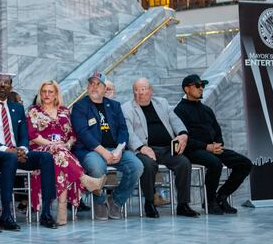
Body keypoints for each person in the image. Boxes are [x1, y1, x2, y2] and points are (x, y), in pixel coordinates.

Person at [26, 80, 106, 226]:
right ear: (40, 94)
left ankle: (62, 210)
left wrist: (68, 144)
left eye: (50, 91)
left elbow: (72, 134)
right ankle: (84, 181)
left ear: (56, 94)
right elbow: (33, 135)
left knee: (61, 158)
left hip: (62, 152)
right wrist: (53, 144)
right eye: (44, 91)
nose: (47, 94)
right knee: (60, 153)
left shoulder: (64, 111)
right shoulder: (33, 111)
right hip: (41, 150)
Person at [174, 74, 252, 215]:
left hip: (213, 149)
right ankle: (210, 202)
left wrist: (218, 145)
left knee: (245, 163)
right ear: (186, 89)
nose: (201, 88)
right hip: (192, 150)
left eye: (202, 85)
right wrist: (206, 147)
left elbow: (217, 130)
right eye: (197, 85)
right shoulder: (179, 111)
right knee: (215, 163)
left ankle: (221, 196)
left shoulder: (206, 110)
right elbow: (183, 138)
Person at [121, 78, 199, 218]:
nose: (140, 93)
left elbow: (175, 120)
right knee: (148, 165)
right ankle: (150, 202)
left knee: (184, 163)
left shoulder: (161, 103)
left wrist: (183, 134)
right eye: (136, 90)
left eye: (143, 89)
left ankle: (183, 204)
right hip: (143, 149)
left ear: (151, 91)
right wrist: (142, 148)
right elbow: (128, 132)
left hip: (167, 148)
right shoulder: (127, 108)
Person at [71, 71, 143, 221]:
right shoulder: (80, 106)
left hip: (115, 149)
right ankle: (100, 200)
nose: (94, 87)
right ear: (87, 87)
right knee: (97, 168)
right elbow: (83, 132)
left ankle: (116, 201)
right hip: (90, 150)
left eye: (99, 84)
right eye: (91, 83)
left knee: (137, 166)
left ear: (105, 89)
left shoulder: (114, 106)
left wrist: (119, 149)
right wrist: (103, 152)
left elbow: (123, 130)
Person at [0, 75, 58, 230]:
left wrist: (22, 149)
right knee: (10, 158)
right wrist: (9, 150)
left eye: (7, 83)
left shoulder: (17, 108)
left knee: (46, 157)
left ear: (11, 87)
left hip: (19, 153)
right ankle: (6, 215)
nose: (3, 85)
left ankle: (46, 213)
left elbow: (24, 135)